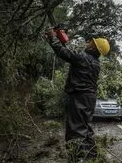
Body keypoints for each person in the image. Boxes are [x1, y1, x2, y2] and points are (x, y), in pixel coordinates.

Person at [46, 28, 110, 162]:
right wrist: (62, 38)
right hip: (89, 98)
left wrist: (53, 38)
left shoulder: (83, 58)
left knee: (75, 130)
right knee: (85, 128)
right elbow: (71, 55)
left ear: (94, 49)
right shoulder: (95, 63)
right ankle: (93, 157)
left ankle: (76, 158)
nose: (88, 43)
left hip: (80, 97)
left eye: (91, 43)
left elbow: (64, 53)